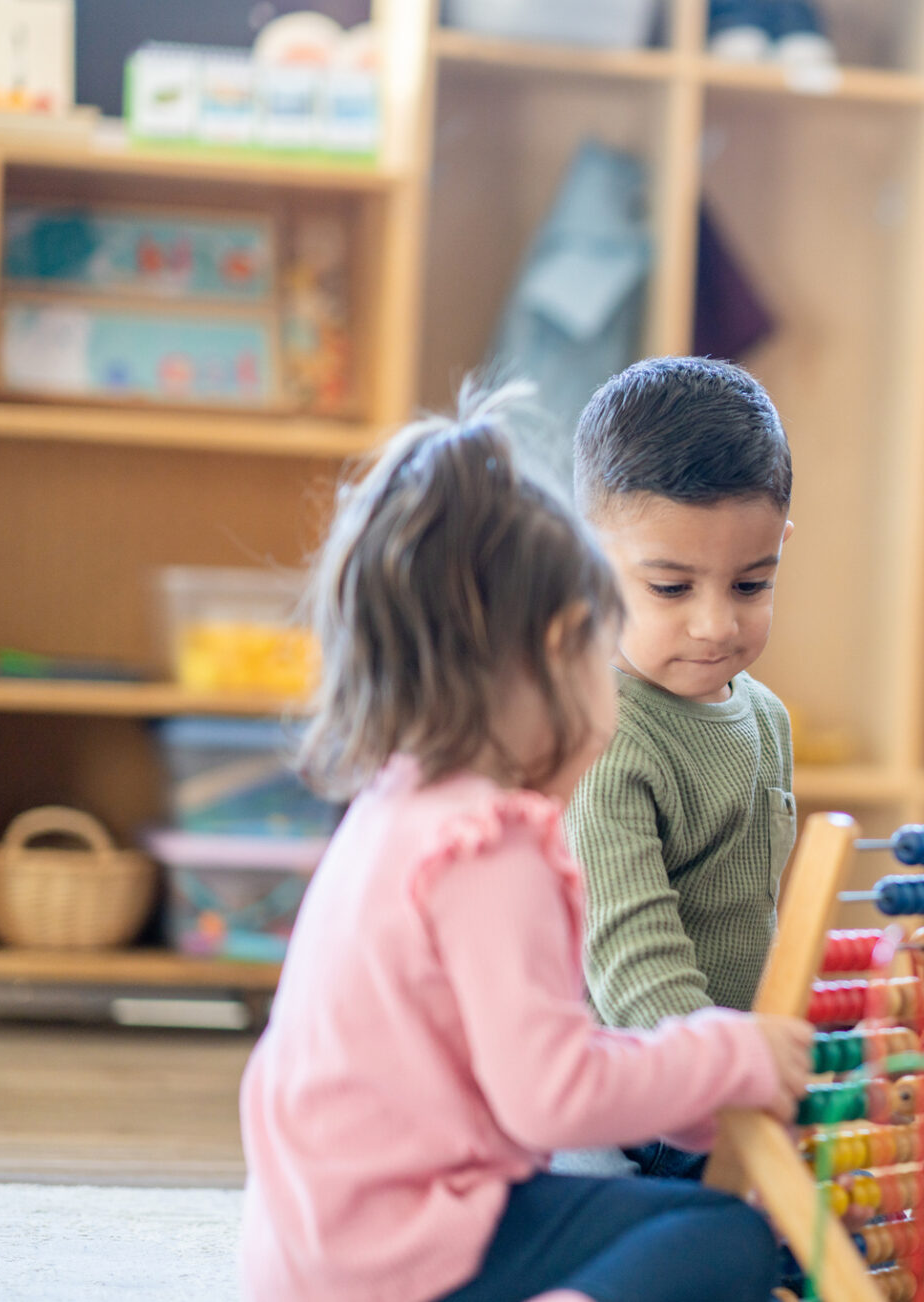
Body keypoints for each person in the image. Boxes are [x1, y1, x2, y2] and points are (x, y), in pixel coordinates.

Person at [238, 405, 811, 1302]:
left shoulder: (402, 798)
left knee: (703, 1228)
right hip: (398, 1258)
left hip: (332, 1245)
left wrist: (708, 1096)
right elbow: (553, 1095)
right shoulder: (488, 845)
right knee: (726, 1247)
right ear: (558, 653)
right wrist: (729, 1057)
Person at [564, 358, 798, 1179]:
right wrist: (724, 1086)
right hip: (638, 1097)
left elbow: (761, 922)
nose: (714, 624)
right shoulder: (604, 738)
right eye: (669, 588)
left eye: (750, 583)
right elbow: (632, 959)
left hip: (721, 1077)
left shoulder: (764, 718)